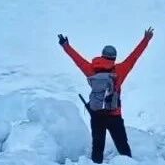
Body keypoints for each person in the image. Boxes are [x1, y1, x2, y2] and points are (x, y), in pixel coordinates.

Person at [58, 27, 154, 162]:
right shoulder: (120, 71)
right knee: (122, 146)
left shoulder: (91, 70)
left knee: (97, 146)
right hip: (114, 115)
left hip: (97, 114)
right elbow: (134, 57)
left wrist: (65, 45)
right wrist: (146, 39)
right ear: (114, 58)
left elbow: (77, 60)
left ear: (102, 55)